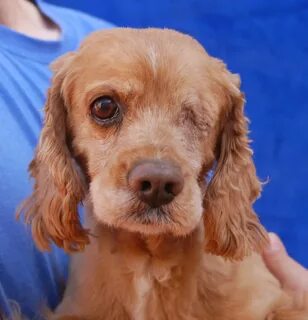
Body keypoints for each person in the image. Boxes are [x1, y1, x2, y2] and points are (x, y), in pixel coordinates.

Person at [0, 0, 306, 319]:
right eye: (105, 109)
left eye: (194, 118)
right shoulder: (86, 63)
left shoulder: (97, 33)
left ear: (222, 144)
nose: (157, 171)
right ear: (63, 134)